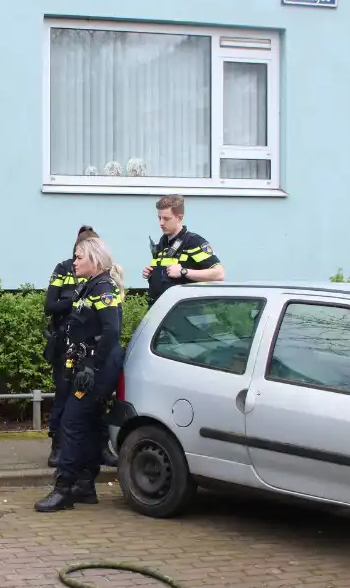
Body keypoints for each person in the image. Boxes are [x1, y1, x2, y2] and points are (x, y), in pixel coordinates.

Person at [35, 237, 125, 512]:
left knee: (71, 423)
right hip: (85, 366)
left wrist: (91, 365)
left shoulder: (103, 288)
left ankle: (64, 489)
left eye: (79, 258)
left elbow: (111, 331)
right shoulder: (89, 287)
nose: (74, 262)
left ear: (94, 260)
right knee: (86, 424)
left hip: (95, 370)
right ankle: (85, 486)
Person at [43, 225, 98, 467]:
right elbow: (50, 305)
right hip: (63, 342)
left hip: (88, 344)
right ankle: (57, 445)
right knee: (64, 392)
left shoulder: (99, 276)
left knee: (87, 394)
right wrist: (74, 299)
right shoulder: (64, 269)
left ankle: (84, 445)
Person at [142, 194, 225, 306]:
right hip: (159, 309)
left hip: (185, 314)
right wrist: (152, 273)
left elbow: (219, 274)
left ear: (179, 218)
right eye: (159, 218)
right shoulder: (162, 243)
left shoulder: (193, 242)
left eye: (166, 218)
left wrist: (184, 272)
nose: (161, 223)